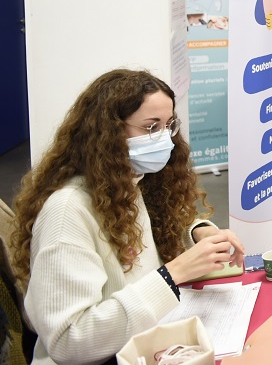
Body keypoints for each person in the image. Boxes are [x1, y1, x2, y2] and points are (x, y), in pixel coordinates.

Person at [10, 69, 246, 365]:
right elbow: (68, 342)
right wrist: (172, 275)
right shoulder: (66, 212)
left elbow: (156, 240)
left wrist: (197, 233)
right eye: (150, 128)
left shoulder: (130, 181)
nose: (164, 139)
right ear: (109, 132)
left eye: (169, 125)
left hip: (142, 345)